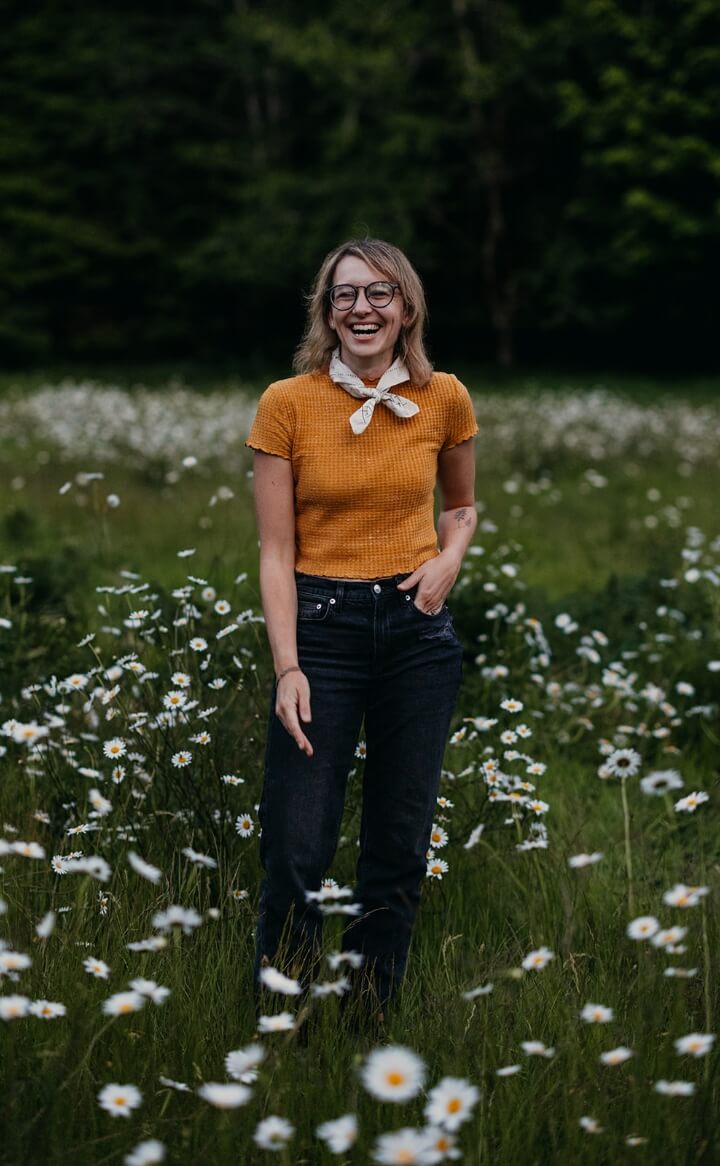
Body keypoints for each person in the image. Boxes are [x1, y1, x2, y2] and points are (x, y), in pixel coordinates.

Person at [246, 238, 478, 1021]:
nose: (362, 308)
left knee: (398, 845)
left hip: (418, 634)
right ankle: (286, 1019)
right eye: (345, 294)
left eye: (379, 293)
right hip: (321, 629)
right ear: (327, 311)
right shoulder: (288, 402)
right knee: (297, 847)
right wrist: (289, 667)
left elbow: (462, 506)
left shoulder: (444, 396)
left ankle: (367, 1017)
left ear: (405, 307)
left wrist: (450, 560)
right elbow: (276, 551)